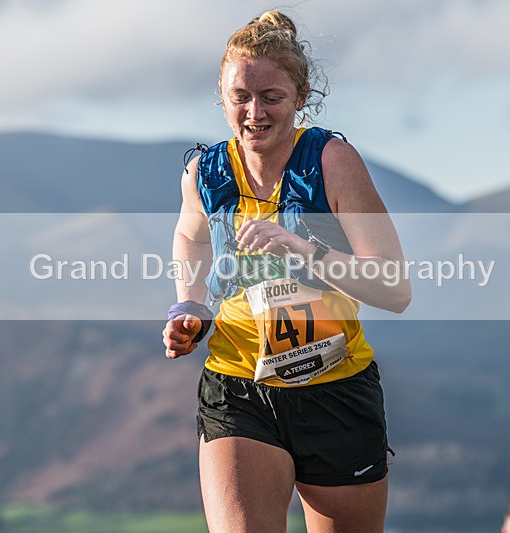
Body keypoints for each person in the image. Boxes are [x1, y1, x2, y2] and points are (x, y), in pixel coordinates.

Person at [162, 10, 411, 533]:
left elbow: (395, 290)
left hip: (335, 389)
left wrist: (305, 250)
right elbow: (190, 235)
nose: (254, 112)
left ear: (300, 96)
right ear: (222, 97)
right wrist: (190, 305)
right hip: (237, 384)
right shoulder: (204, 171)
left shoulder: (332, 162)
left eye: (271, 97)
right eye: (240, 97)